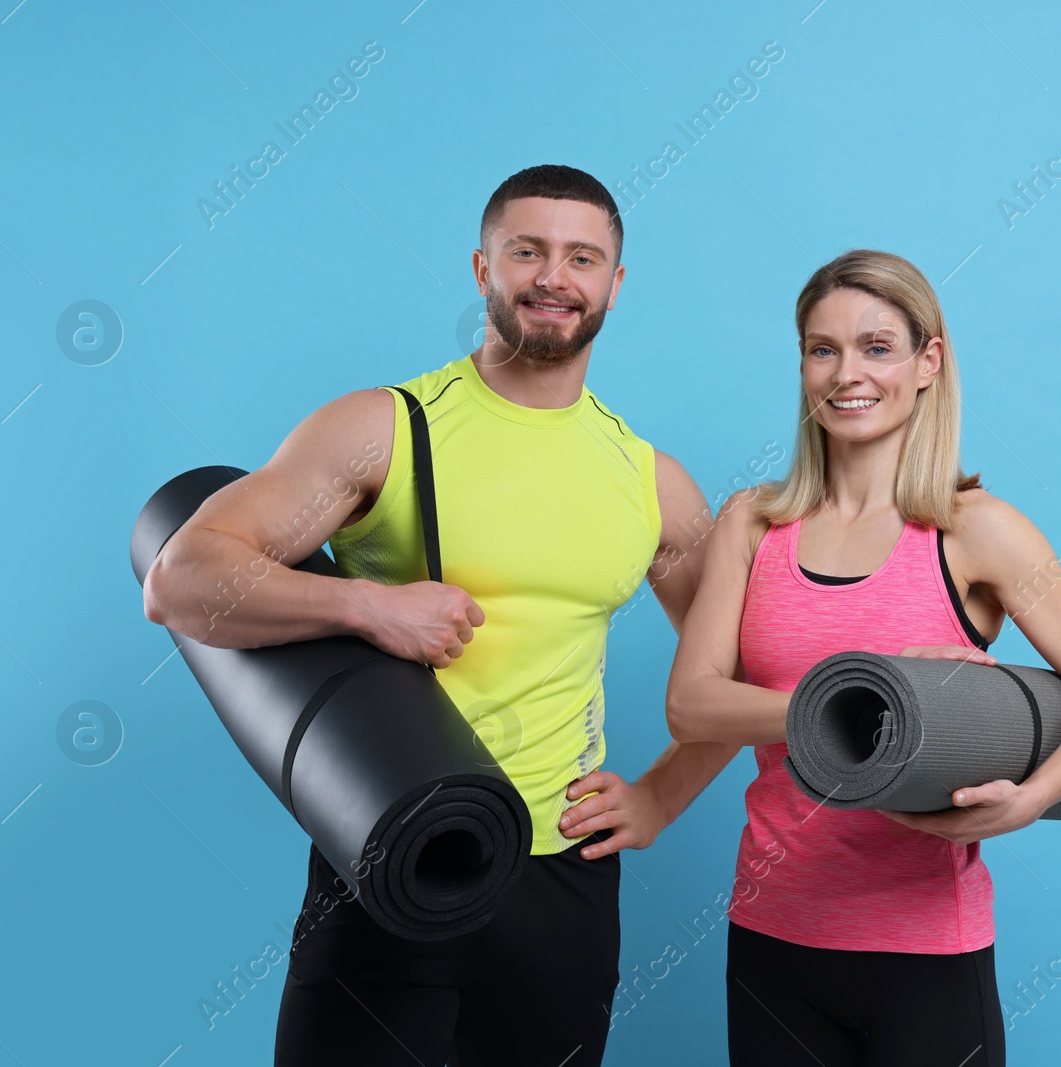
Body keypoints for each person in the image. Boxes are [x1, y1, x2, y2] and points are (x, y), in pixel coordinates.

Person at [142, 164, 740, 1067]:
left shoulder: (648, 478)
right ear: (481, 269)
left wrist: (662, 793)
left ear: (615, 285)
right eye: (526, 251)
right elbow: (182, 580)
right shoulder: (388, 427)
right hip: (389, 853)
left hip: (561, 875)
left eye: (583, 258)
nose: (554, 277)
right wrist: (366, 604)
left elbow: (737, 665)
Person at [664, 249, 1061, 1066]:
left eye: (876, 346)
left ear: (929, 362)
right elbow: (692, 704)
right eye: (823, 349)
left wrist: (1029, 800)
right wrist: (854, 706)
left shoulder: (976, 530)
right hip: (773, 933)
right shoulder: (752, 522)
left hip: (928, 949)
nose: (847, 373)